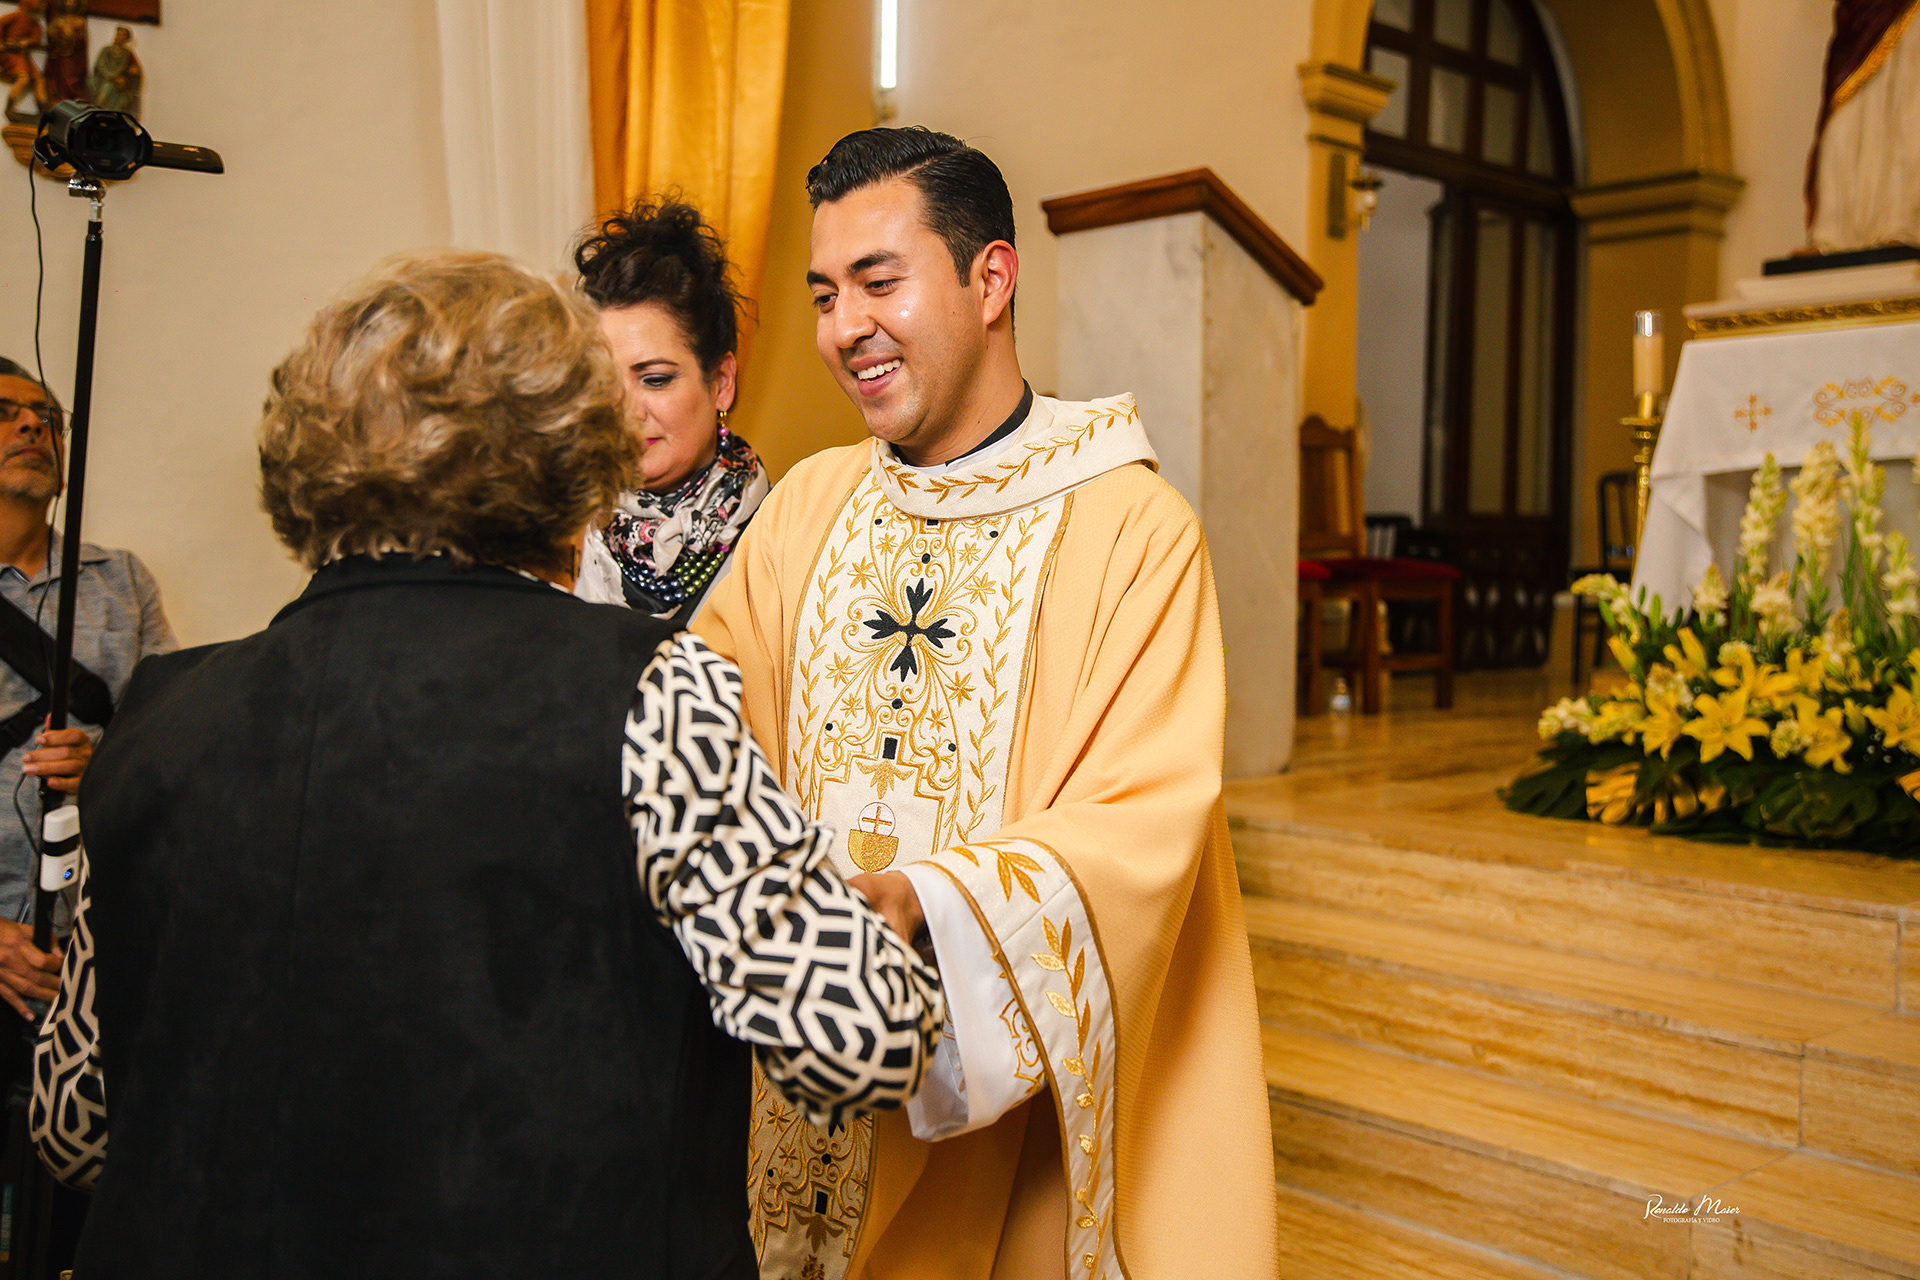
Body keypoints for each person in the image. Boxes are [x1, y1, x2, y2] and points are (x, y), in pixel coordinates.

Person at [30, 252, 943, 1278]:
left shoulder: (161, 716)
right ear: (567, 453)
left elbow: (74, 1124)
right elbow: (858, 1037)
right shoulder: (650, 690)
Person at [696, 128, 1277, 1278]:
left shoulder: (1132, 531)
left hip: (1005, 1152)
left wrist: (928, 899)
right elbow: (705, 720)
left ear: (991, 278)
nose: (844, 327)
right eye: (824, 294)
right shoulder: (806, 507)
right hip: (789, 1085)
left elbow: (1144, 820)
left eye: (879, 281)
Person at [0, 355, 173, 1020]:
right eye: (4, 414)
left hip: (94, 949)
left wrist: (104, 767)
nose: (32, 427)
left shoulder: (121, 579)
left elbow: (168, 747)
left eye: (47, 418)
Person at [572, 199, 771, 623]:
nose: (626, 412)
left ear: (721, 382)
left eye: (656, 379)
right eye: (604, 383)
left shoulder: (781, 541)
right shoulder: (567, 535)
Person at [1, 0, 46, 123]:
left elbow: (36, 39)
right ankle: (9, 109)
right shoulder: (15, 16)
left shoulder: (34, 23)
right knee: (23, 78)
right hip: (10, 53)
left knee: (39, 79)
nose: (43, 4)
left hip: (22, 54)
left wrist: (28, 42)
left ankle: (43, 112)